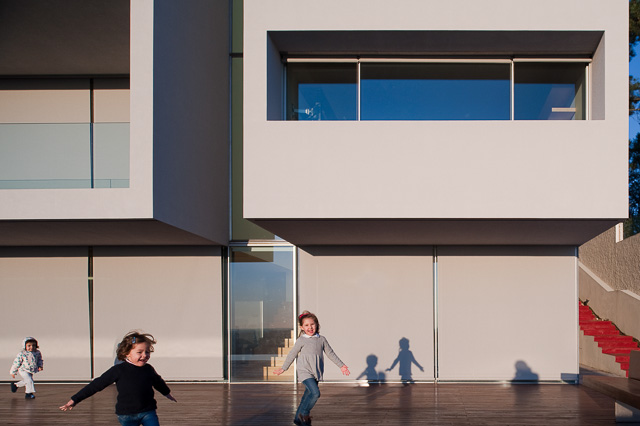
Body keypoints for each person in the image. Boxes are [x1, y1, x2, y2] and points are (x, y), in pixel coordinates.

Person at [59, 331, 177, 426]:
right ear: (127, 353)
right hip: (126, 415)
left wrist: (167, 393)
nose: (145, 355)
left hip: (148, 412)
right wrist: (75, 399)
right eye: (139, 352)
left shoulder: (148, 369)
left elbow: (158, 382)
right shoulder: (118, 370)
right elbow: (96, 385)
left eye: (147, 352)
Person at [273, 311, 350, 426]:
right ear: (302, 327)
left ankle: (297, 419)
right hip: (304, 371)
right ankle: (304, 414)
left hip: (316, 372)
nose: (310, 327)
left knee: (306, 396)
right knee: (315, 393)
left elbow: (330, 353)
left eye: (312, 324)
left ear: (317, 325)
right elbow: (292, 354)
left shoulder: (321, 339)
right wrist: (284, 368)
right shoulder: (301, 340)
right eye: (306, 325)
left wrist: (341, 365)